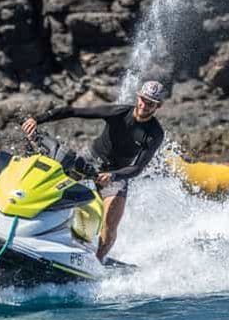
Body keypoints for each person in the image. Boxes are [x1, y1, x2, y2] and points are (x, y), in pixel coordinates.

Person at [21, 81, 167, 262]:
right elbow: (73, 111)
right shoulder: (118, 113)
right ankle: (29, 225)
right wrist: (38, 119)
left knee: (111, 221)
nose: (145, 105)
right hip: (90, 159)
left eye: (151, 103)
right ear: (138, 97)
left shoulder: (155, 133)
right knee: (50, 185)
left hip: (116, 173)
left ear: (158, 106)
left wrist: (113, 175)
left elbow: (137, 168)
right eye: (143, 100)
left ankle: (97, 262)